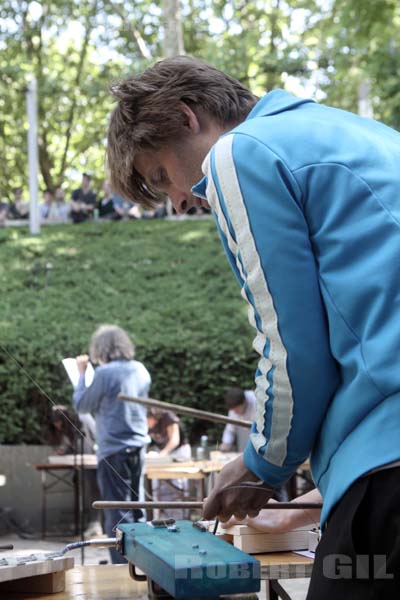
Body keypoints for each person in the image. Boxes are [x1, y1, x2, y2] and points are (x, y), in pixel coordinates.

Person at [106, 56, 400, 596]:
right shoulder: (359, 131)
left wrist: (260, 463)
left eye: (162, 177)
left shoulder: (241, 152)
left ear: (186, 116)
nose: (178, 202)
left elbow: (291, 346)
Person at [72, 324, 151, 563]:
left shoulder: (105, 373)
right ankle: (144, 565)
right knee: (137, 510)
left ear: (100, 348)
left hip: (113, 449)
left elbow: (81, 405)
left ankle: (120, 570)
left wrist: (82, 374)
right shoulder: (140, 369)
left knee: (117, 513)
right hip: (138, 446)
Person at [220, 388, 256, 453]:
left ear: (245, 402)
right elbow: (230, 428)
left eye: (237, 409)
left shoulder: (257, 401)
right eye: (233, 410)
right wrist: (226, 443)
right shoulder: (234, 404)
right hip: (244, 441)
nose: (235, 412)